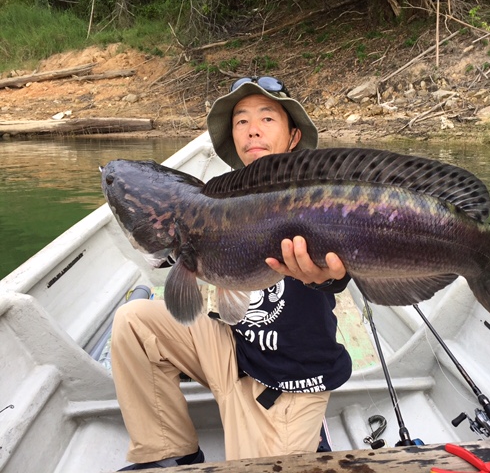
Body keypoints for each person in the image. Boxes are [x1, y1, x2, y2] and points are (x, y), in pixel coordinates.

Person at [112, 76, 352, 470]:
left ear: (294, 137)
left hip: (286, 383)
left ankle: (307, 431)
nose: (252, 128)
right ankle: (169, 450)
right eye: (241, 121)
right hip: (232, 350)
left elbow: (339, 275)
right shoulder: (217, 196)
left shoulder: (321, 196)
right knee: (134, 322)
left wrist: (326, 276)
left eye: (266, 118)